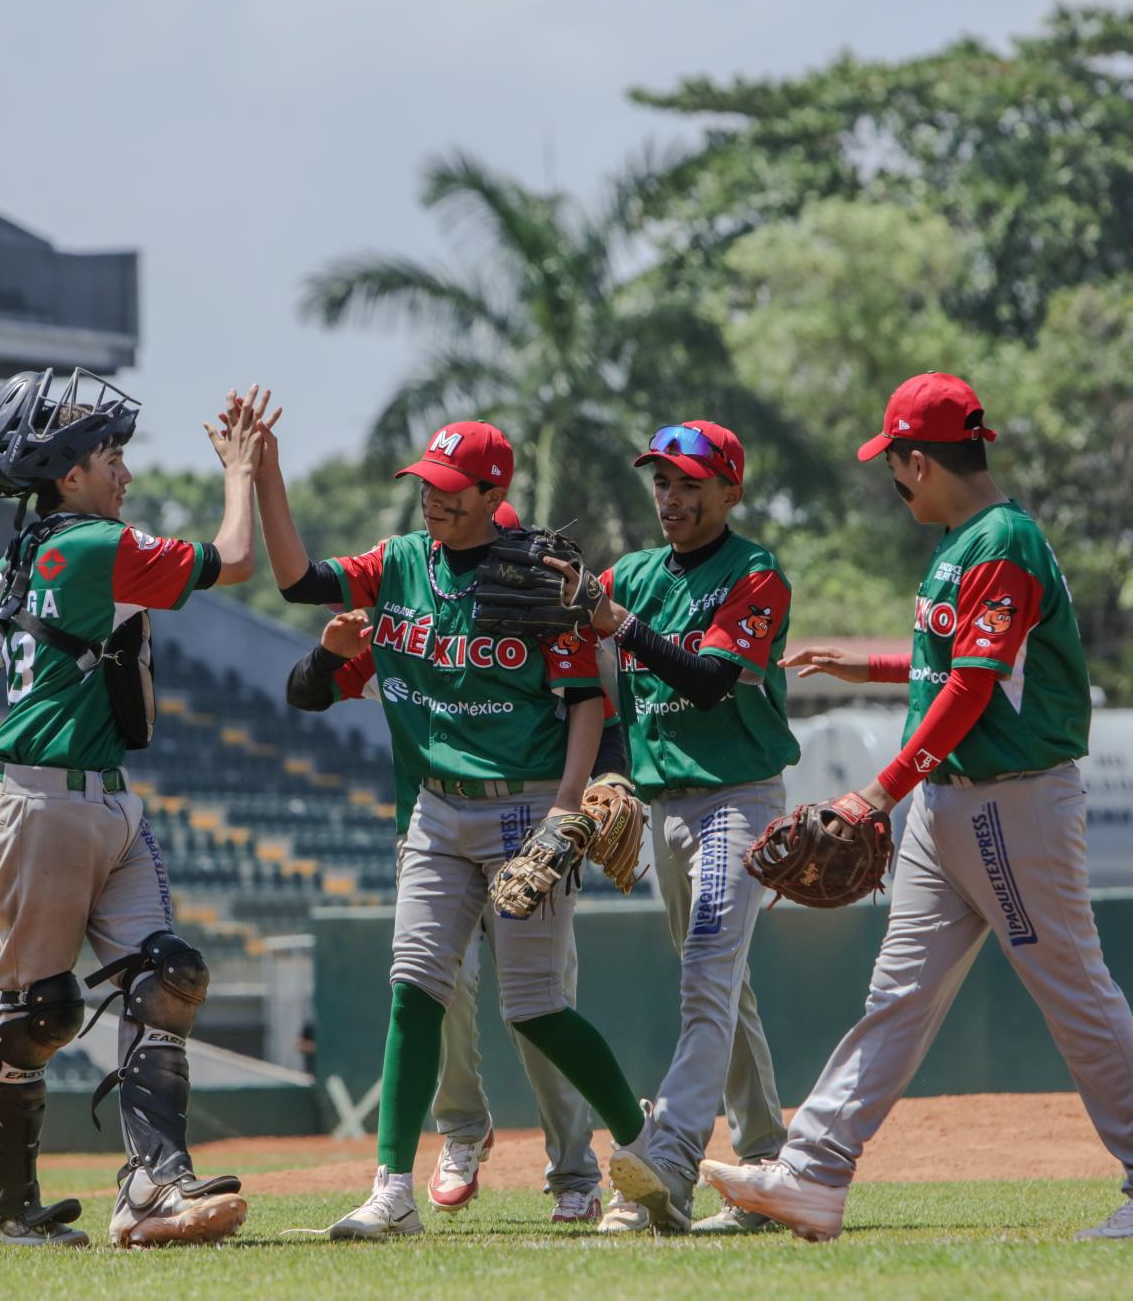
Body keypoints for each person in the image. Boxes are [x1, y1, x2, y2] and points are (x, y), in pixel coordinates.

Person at [700, 372, 1133, 1242]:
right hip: (951, 805)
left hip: (1010, 805)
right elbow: (955, 666)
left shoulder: (1002, 541)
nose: (892, 481)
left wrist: (877, 792)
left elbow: (977, 687)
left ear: (917, 458)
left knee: (1074, 992)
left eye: (893, 465)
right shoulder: (964, 542)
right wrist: (865, 670)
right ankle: (815, 1172)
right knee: (897, 992)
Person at [253, 414, 667, 1238]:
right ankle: (390, 1191)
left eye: (448, 491)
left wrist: (565, 813)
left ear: (492, 494)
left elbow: (588, 703)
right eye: (426, 488)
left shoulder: (537, 578)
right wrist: (264, 475)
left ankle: (645, 1143)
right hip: (435, 810)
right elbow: (299, 581)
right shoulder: (400, 562)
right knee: (414, 990)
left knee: (537, 1008)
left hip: (524, 805)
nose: (432, 502)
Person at [0, 370, 273, 1248]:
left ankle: (155, 1188)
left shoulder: (14, 564)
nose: (122, 468)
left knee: (167, 977)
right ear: (67, 474)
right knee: (35, 1011)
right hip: (49, 802)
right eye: (107, 453)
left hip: (94, 796)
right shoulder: (91, 548)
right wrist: (240, 471)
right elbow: (235, 561)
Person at [286, 590, 607, 1226]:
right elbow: (306, 691)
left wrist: (583, 798)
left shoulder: (545, 632)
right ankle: (463, 1129)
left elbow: (600, 718)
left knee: (541, 1008)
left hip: (529, 833)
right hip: (431, 837)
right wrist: (327, 652)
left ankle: (575, 1168)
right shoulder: (414, 638)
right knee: (440, 991)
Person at [552, 420, 794, 1235]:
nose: (672, 496)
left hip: (738, 799)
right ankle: (766, 1166)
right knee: (727, 989)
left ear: (732, 490)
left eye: (690, 482)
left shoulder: (754, 573)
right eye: (661, 481)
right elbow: (591, 682)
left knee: (704, 981)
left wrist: (616, 622)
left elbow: (707, 681)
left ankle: (671, 1162)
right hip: (666, 808)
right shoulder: (637, 574)